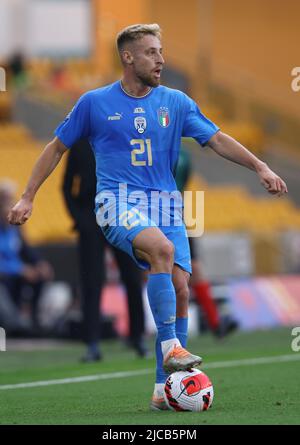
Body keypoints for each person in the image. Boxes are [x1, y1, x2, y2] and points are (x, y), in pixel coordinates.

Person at [8, 24, 287, 411]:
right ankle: (173, 347)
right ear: (128, 57)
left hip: (167, 205)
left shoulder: (175, 102)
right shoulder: (94, 103)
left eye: (161, 51)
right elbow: (56, 148)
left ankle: (162, 387)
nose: (161, 59)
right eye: (152, 52)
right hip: (116, 201)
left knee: (181, 287)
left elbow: (217, 138)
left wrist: (260, 167)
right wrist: (27, 196)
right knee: (160, 249)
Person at [62, 138, 148, 361]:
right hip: (91, 221)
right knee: (92, 281)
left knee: (132, 276)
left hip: (121, 215)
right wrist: (79, 219)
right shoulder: (80, 145)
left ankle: (137, 337)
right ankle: (92, 343)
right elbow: (66, 185)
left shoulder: (119, 138)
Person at [175, 147, 238, 338]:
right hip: (153, 212)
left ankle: (215, 322)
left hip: (178, 215)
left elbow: (183, 184)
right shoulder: (166, 148)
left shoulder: (183, 153)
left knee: (193, 268)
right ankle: (149, 328)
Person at [0, 179, 53, 333]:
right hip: (5, 275)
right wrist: (20, 270)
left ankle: (35, 320)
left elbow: (27, 249)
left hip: (16, 274)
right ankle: (13, 324)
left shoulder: (14, 228)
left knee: (39, 278)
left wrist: (40, 263)